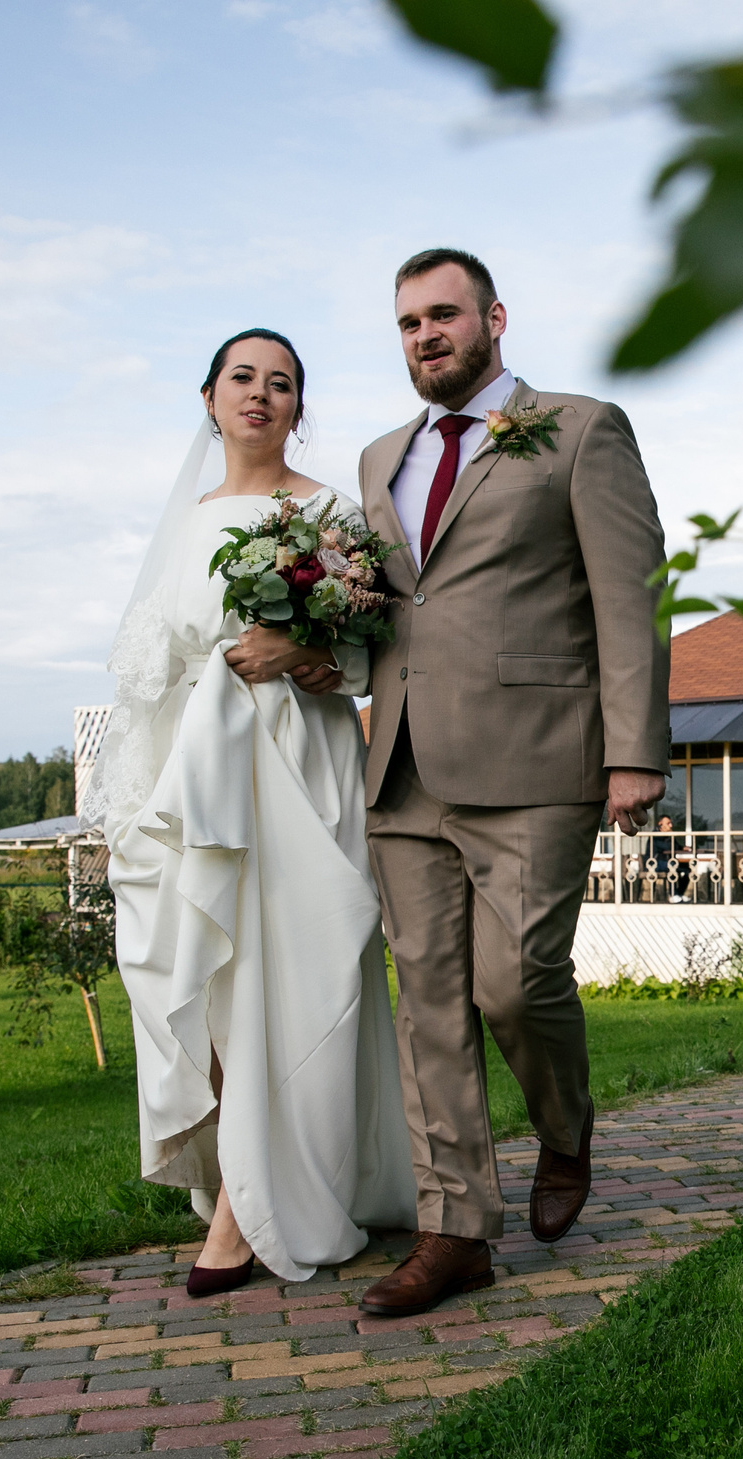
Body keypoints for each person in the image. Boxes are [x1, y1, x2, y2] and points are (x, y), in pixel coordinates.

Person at [237, 249, 669, 1316]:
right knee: (428, 1005)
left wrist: (634, 752)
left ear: (494, 319)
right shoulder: (382, 457)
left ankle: (564, 1127)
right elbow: (389, 608)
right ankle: (455, 1232)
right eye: (407, 323)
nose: (425, 336)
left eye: (443, 315)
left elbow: (629, 598)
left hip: (539, 756)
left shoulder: (580, 429)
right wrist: (316, 651)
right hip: (401, 764)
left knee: (513, 984)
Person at [95, 327, 415, 1298]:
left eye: (281, 383)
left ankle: (245, 1213)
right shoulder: (186, 522)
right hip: (199, 769)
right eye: (243, 377)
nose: (260, 395)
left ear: (297, 409)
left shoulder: (332, 514)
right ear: (209, 398)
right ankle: (244, 1169)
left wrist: (311, 656)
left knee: (298, 967)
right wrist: (135, 802)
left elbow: (376, 653)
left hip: (301, 757)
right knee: (204, 973)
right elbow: (149, 672)